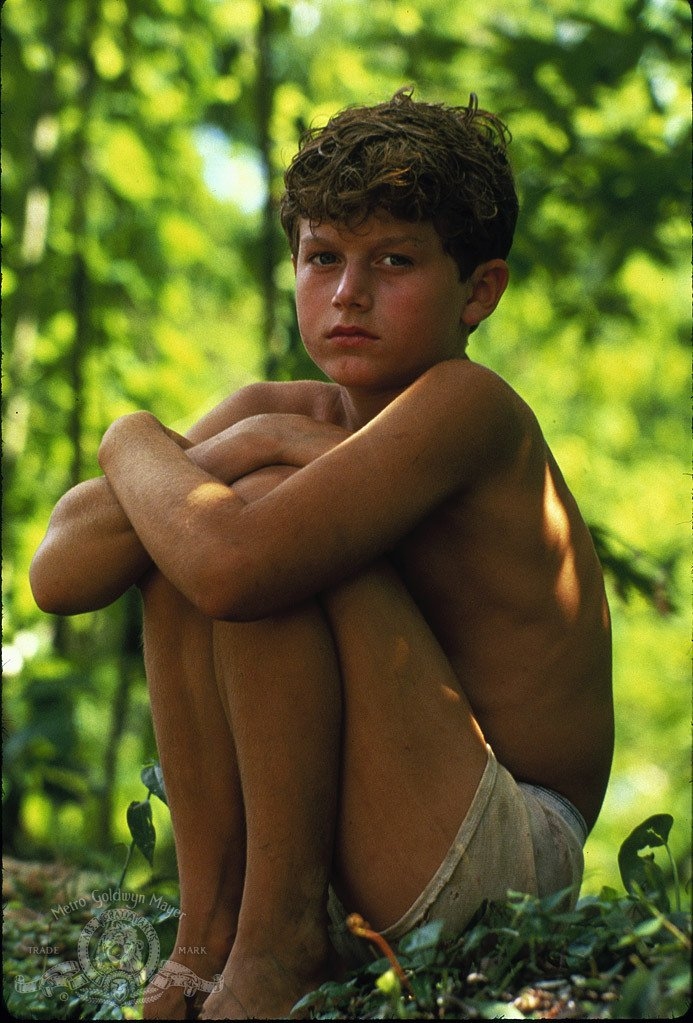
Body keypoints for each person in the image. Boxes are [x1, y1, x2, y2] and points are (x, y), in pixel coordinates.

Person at [30, 88, 613, 1020]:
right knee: (194, 519)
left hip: (506, 853)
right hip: (375, 833)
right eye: (323, 257)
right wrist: (138, 436)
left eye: (394, 260)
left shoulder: (469, 407)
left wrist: (186, 455)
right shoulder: (277, 413)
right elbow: (58, 574)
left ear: (478, 290)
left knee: (235, 525)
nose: (348, 293)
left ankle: (276, 946)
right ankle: (207, 939)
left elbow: (232, 566)